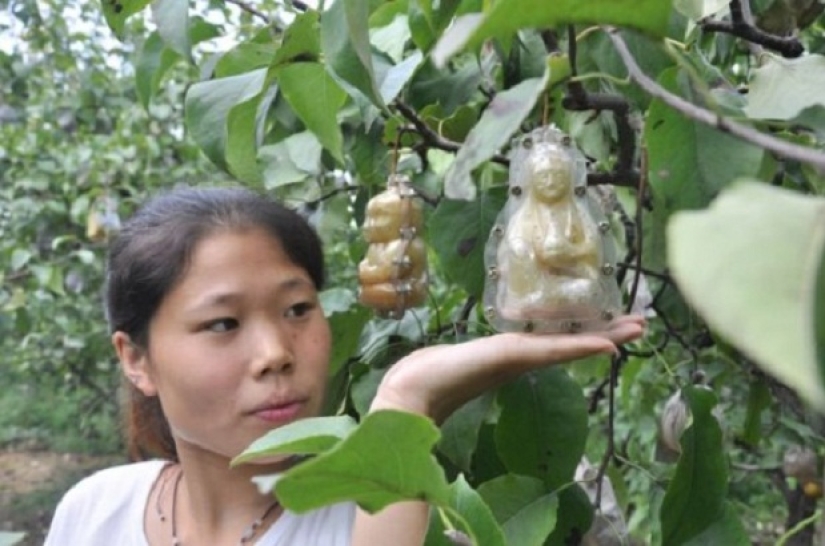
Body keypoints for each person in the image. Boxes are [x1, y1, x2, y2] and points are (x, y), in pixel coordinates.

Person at [44, 186, 644, 545]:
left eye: (298, 309)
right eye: (223, 324)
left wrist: (405, 401)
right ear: (136, 359)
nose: (277, 352)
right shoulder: (95, 512)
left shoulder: (381, 512)